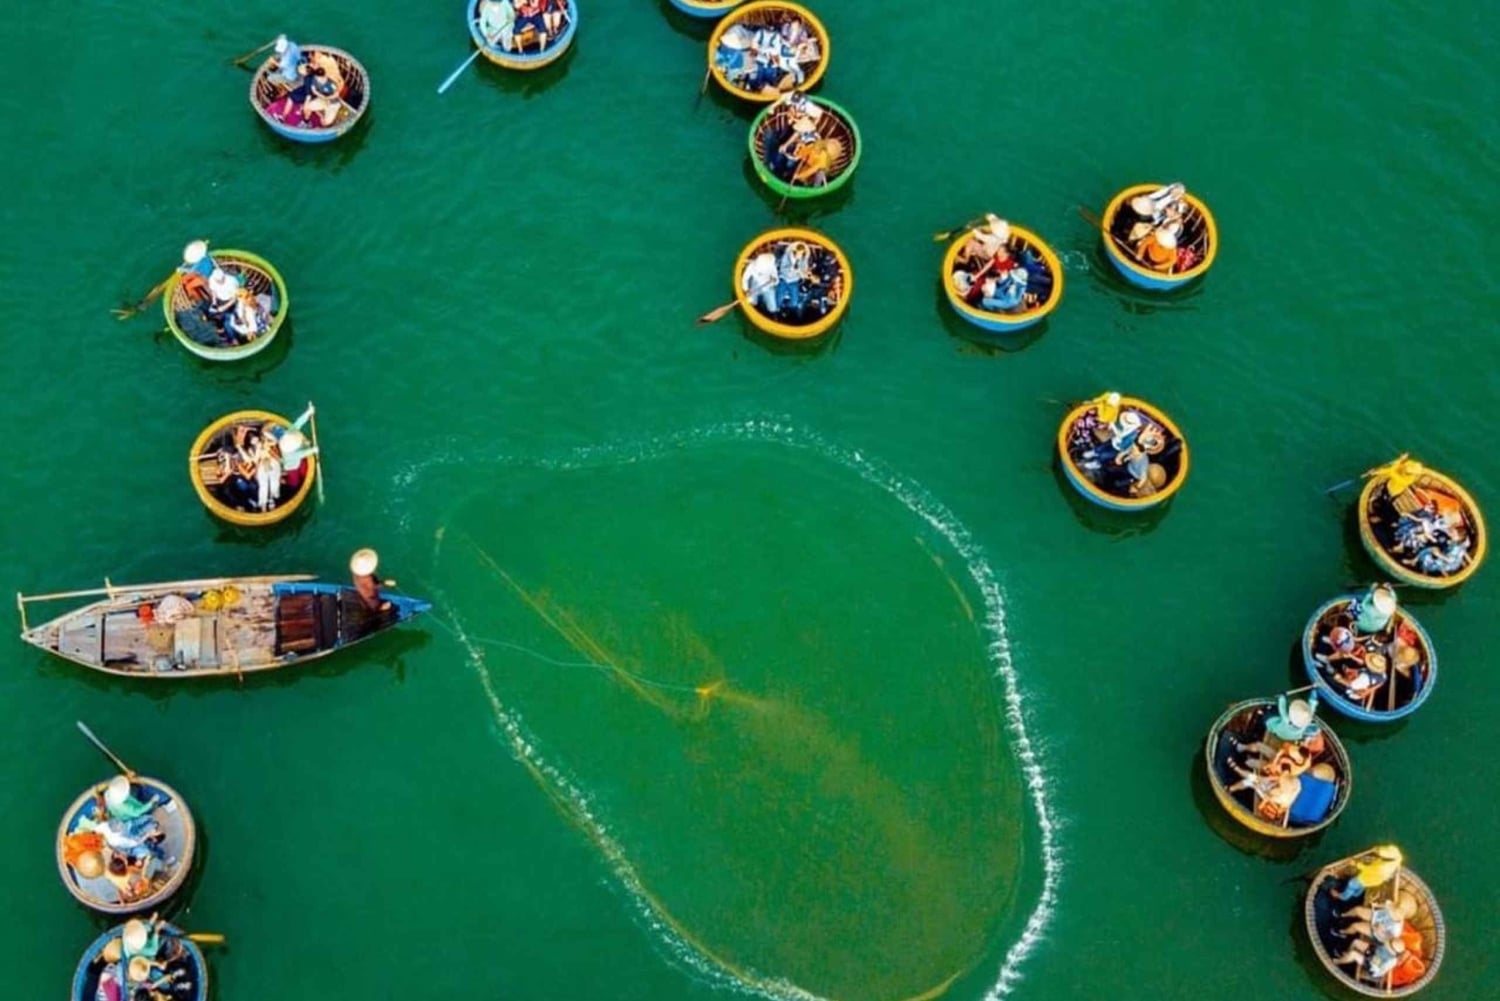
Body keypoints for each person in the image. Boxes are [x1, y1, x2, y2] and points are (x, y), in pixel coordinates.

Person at [1332, 845, 1403, 901]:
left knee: (1352, 884)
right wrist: (1378, 849)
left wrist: (1355, 863)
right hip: (1377, 879)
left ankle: (1342, 897)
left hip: (1367, 878)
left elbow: (1366, 869)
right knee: (1362, 887)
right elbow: (1383, 849)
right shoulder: (1397, 856)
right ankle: (1356, 895)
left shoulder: (1381, 868)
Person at [776, 241, 817, 317]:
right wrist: (793, 269)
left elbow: (804, 270)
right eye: (799, 253)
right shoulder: (786, 256)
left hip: (794, 281)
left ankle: (787, 309)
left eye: (802, 254)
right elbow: (782, 269)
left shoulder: (803, 260)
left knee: (794, 303)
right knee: (778, 299)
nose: (800, 255)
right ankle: (779, 310)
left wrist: (807, 275)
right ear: (795, 251)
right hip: (784, 279)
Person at [351, 549, 392, 613]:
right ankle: (378, 610)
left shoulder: (356, 574)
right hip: (370, 600)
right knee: (385, 608)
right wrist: (385, 583)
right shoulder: (368, 579)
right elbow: (374, 588)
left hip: (361, 596)